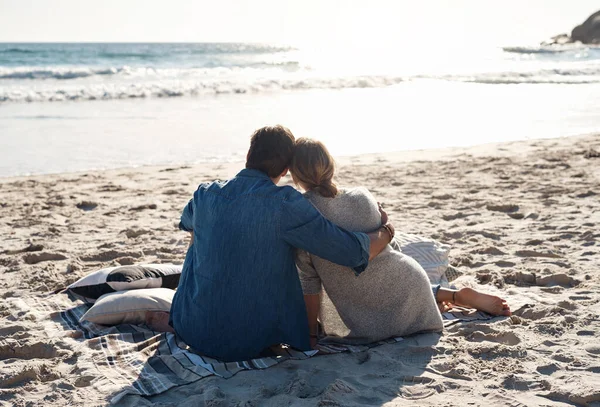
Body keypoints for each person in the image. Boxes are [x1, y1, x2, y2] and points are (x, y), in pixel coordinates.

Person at [149, 125, 395, 362]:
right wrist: (386, 231)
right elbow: (350, 252)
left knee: (200, 237)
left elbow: (186, 223)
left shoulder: (205, 193)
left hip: (194, 330)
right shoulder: (285, 203)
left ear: (248, 155)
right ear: (286, 169)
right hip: (249, 340)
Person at [290, 138, 511, 346]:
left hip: (366, 322)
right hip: (413, 289)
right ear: (331, 164)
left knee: (367, 286)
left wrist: (311, 334)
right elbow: (391, 249)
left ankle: (449, 296)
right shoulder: (362, 196)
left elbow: (309, 281)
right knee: (386, 271)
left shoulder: (303, 212)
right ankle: (451, 295)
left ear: (295, 175)